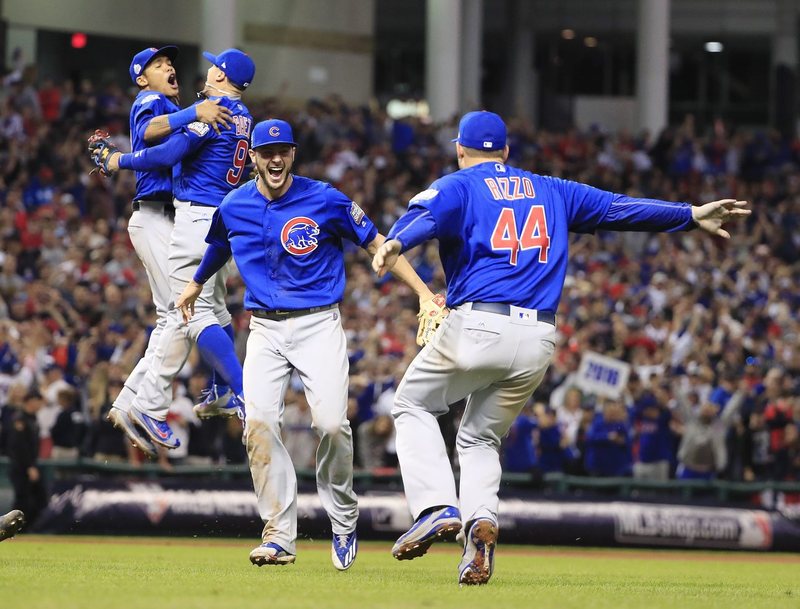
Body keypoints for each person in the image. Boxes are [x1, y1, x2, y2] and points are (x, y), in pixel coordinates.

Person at [371, 110, 751, 586]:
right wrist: (689, 216)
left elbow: (422, 217)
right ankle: (479, 527)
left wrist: (396, 242)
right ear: (507, 151)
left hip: (479, 322)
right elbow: (620, 209)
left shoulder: (457, 185)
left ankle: (434, 507)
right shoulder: (552, 188)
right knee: (480, 438)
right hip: (538, 338)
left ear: (460, 150)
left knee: (410, 404)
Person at [174, 118, 438, 572]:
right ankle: (278, 535)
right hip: (265, 329)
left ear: (293, 154)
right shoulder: (234, 204)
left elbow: (379, 243)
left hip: (318, 324)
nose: (275, 158)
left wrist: (423, 292)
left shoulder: (325, 198)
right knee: (257, 424)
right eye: (266, 151)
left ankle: (343, 517)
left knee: (333, 425)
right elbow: (220, 245)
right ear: (252, 158)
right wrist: (195, 284)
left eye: (283, 150)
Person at [95, 48, 255, 451]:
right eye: (158, 65)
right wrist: (190, 116)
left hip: (183, 216)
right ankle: (150, 403)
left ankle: (138, 401)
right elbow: (152, 134)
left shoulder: (207, 108)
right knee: (184, 314)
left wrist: (119, 160)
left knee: (186, 314)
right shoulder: (157, 101)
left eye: (169, 63)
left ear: (222, 74)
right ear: (141, 78)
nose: (170, 67)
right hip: (162, 215)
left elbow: (174, 150)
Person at [8, 391, 48, 528]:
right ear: (31, 401)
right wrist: (29, 466)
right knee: (22, 500)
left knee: (40, 498)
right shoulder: (20, 419)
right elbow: (19, 447)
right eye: (38, 400)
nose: (41, 404)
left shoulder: (33, 418)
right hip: (21, 467)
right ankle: (13, 530)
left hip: (31, 465)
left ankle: (27, 528)